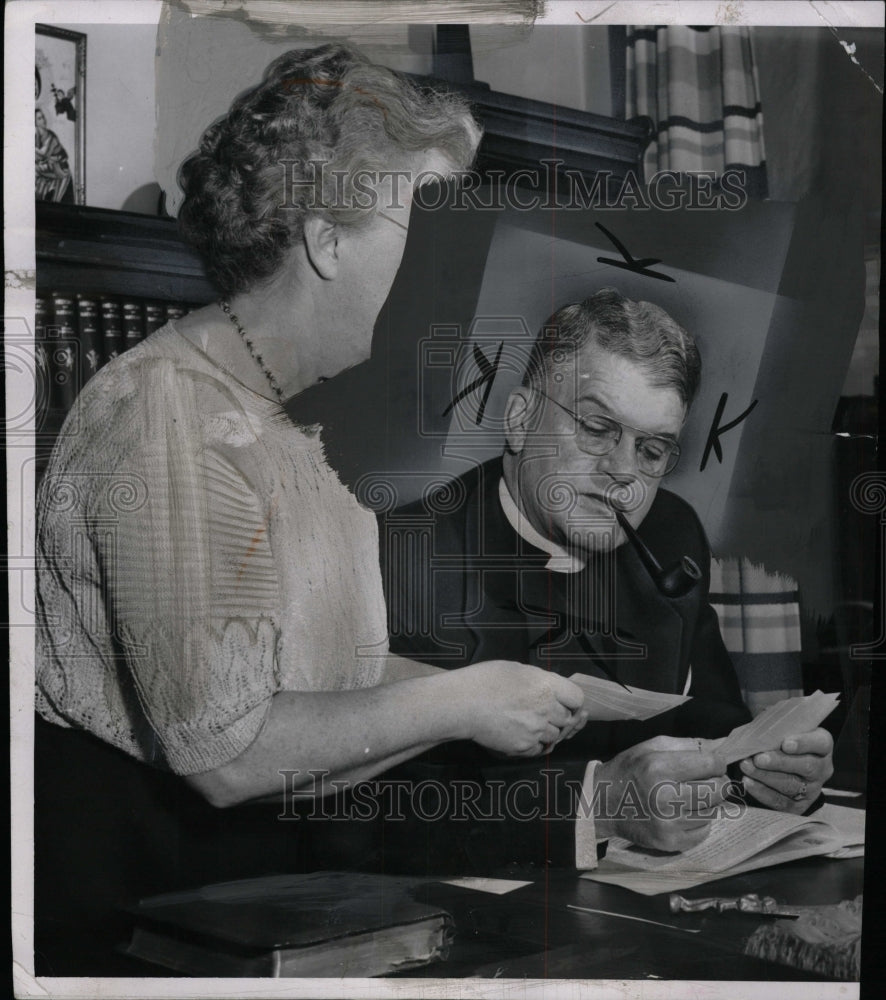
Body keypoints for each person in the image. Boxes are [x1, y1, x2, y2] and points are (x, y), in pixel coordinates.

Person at [34, 44, 586, 974]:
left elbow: (334, 676)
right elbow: (232, 752)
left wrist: (519, 696)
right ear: (328, 240)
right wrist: (466, 697)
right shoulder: (168, 416)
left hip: (259, 890)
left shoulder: (317, 416)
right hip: (130, 904)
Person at [379, 289, 834, 871]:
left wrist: (767, 767)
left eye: (651, 450)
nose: (623, 473)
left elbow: (710, 722)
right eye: (597, 428)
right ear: (520, 420)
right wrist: (595, 803)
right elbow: (370, 819)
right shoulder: (401, 555)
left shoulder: (671, 532)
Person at [35, 107, 73, 202]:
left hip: (60, 169)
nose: (43, 119)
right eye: (39, 118)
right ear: (34, 122)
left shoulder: (50, 136)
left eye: (43, 117)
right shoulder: (36, 137)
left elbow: (43, 154)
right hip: (49, 167)